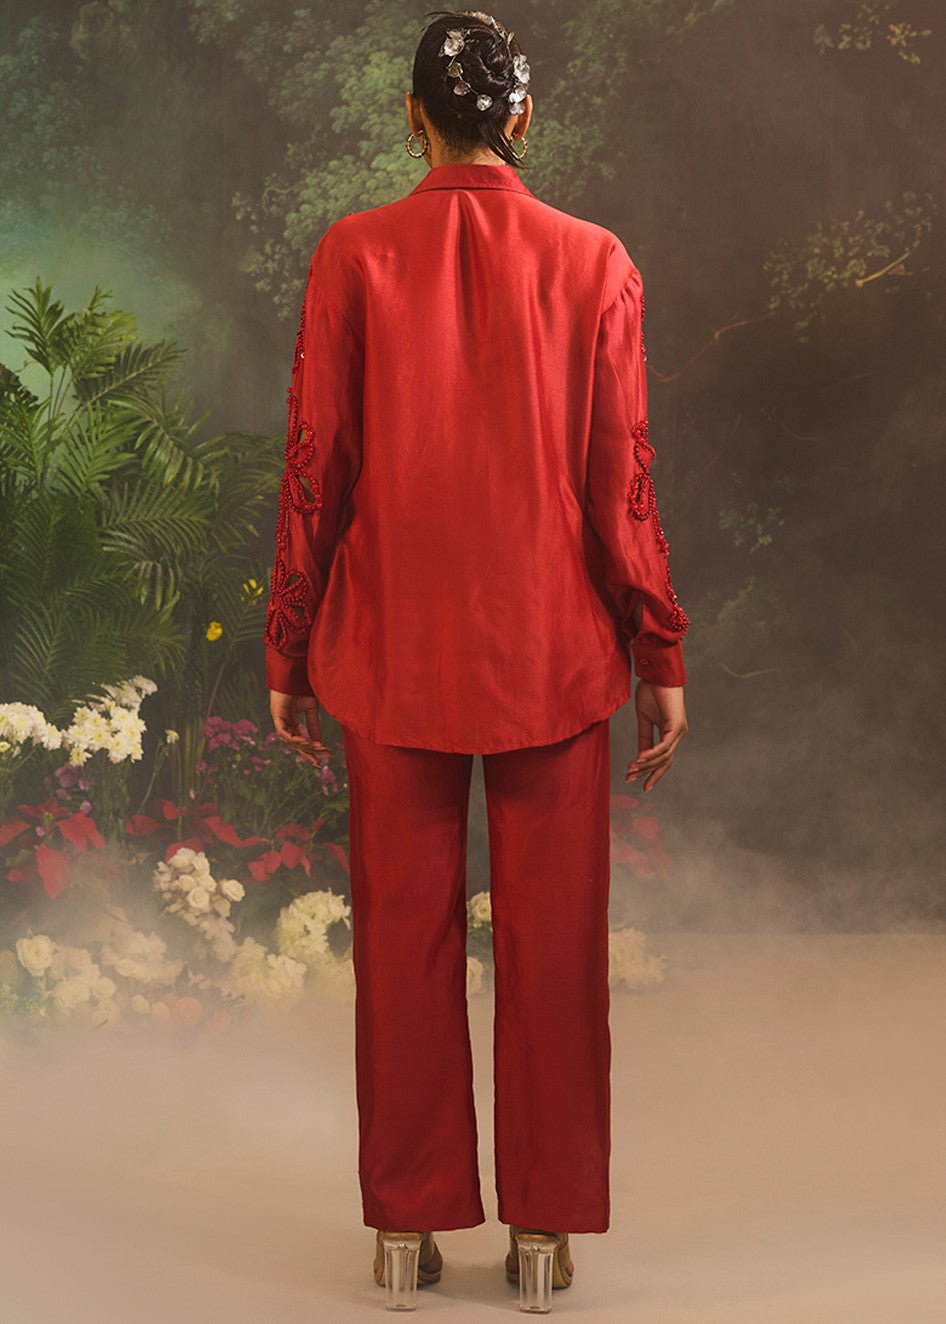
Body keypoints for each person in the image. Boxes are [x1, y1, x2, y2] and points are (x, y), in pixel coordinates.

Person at [262, 8, 690, 1312]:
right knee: (555, 951)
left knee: (402, 942)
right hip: (551, 649)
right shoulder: (593, 259)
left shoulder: (351, 253)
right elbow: (620, 480)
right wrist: (658, 644)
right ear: (522, 116)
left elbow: (316, 464)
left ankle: (403, 1233)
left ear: (412, 118)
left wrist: (288, 643)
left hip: (389, 648)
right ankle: (544, 1237)